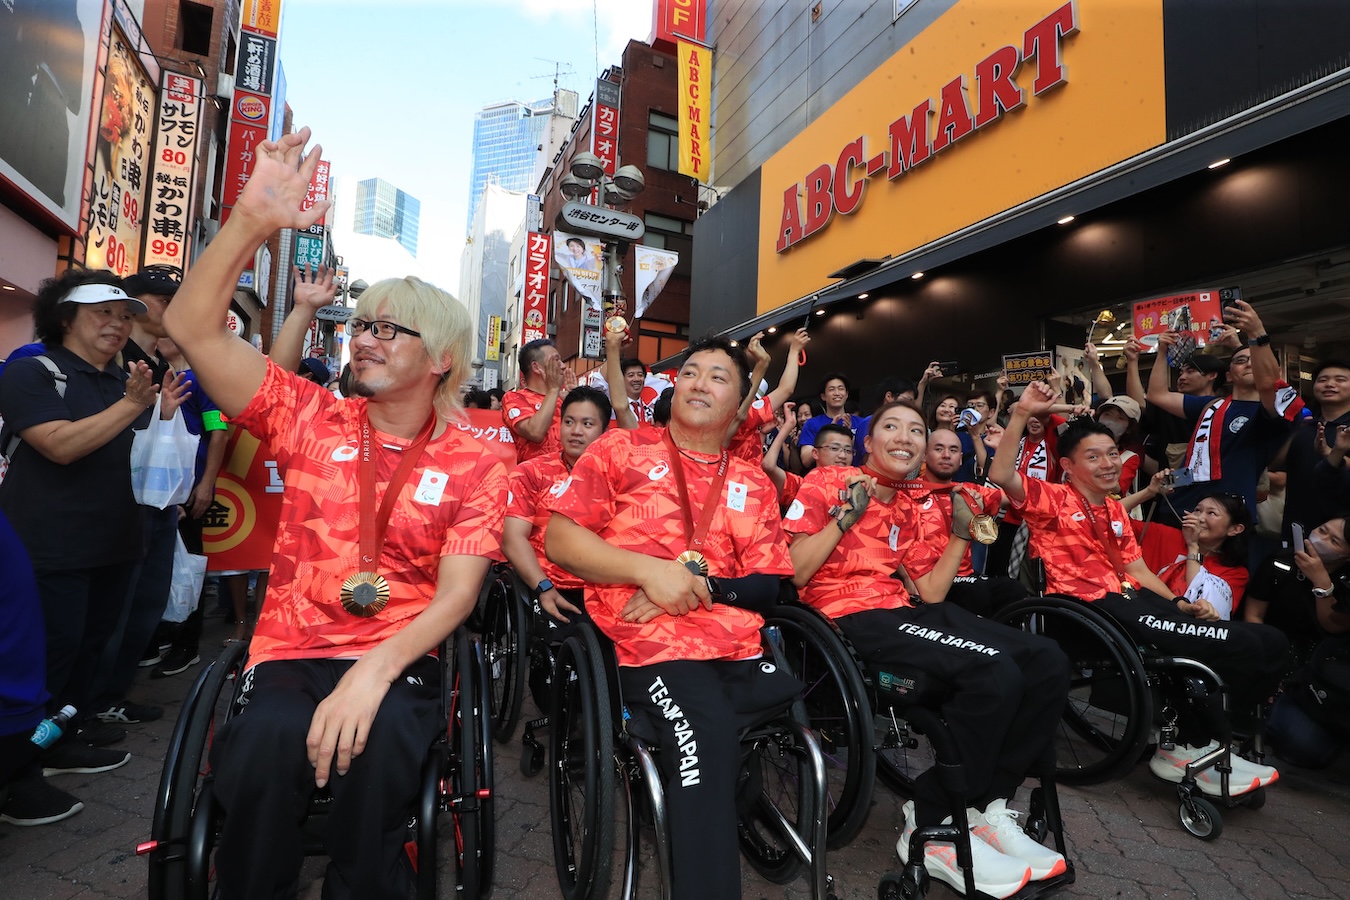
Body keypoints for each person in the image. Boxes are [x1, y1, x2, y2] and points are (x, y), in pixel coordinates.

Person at [162, 128, 508, 900]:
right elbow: (190, 330)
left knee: (385, 747)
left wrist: (372, 674)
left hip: (402, 651)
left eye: (391, 329)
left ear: (443, 357)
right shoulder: (309, 415)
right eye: (364, 326)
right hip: (290, 647)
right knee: (259, 748)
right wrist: (250, 223)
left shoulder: (481, 459)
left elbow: (458, 595)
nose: (367, 339)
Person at [545, 336, 802, 900]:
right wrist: (648, 572)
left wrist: (692, 587)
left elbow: (763, 587)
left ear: (740, 405)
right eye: (690, 372)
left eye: (717, 376)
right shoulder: (620, 450)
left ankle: (710, 800)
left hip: (734, 645)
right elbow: (560, 538)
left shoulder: (753, 481)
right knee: (705, 736)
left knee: (747, 725)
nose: (699, 382)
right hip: (646, 640)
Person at [785, 401, 1070, 898]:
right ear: (867, 442)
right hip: (845, 615)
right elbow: (794, 573)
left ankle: (987, 806)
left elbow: (931, 593)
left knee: (1047, 661)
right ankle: (932, 817)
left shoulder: (908, 501)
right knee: (993, 673)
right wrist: (842, 520)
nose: (905, 436)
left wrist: (960, 535)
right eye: (891, 426)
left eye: (915, 429)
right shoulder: (826, 482)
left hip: (904, 608)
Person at [992, 381, 1287, 797]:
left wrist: (1180, 602)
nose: (1107, 463)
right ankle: (1195, 745)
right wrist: (1021, 414)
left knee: (1270, 640)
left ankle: (1200, 741)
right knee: (1236, 644)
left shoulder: (1114, 508)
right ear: (1070, 467)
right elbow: (1001, 474)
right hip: (1086, 609)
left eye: (1111, 453)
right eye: (1092, 457)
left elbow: (1138, 570)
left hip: (1132, 600)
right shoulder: (1051, 498)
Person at [0, 271, 182, 771]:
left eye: (125, 316)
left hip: (118, 541)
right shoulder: (33, 370)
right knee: (49, 653)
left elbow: (139, 459)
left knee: (89, 650)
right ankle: (20, 766)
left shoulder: (124, 381)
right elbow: (58, 445)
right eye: (103, 312)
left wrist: (160, 417)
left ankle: (60, 737)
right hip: (50, 546)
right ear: (64, 317)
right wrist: (132, 406)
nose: (117, 324)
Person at [90, 268, 188, 730]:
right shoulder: (113, 360)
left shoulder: (161, 365)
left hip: (158, 501)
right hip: (118, 503)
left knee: (145, 605)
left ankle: (112, 695)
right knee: (114, 608)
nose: (173, 308)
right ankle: (84, 706)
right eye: (164, 299)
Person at [148, 334, 230, 678]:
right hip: (152, 487)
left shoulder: (200, 379)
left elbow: (219, 430)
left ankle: (187, 644)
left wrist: (206, 482)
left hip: (186, 488)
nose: (160, 336)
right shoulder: (154, 375)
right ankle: (160, 635)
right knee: (156, 567)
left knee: (186, 567)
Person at [502, 386, 611, 631]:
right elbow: (512, 538)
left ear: (605, 432)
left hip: (604, 585)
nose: (576, 431)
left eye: (587, 424)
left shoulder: (620, 476)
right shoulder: (530, 472)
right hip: (546, 582)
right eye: (569, 422)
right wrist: (543, 586)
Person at [911, 428, 1022, 616]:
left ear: (961, 459)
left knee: (1013, 590)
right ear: (923, 455)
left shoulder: (968, 492)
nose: (947, 455)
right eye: (939, 449)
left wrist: (1002, 453)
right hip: (925, 582)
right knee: (978, 594)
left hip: (964, 579)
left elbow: (1018, 495)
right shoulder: (906, 495)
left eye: (953, 450)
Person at [1244, 516, 1350, 661]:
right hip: (1272, 646)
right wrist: (1267, 651)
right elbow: (1254, 615)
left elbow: (1333, 626)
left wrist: (1320, 580)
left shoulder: (1345, 580)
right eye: (1322, 530)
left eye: (1334, 541)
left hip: (1323, 658)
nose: (1321, 539)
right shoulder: (1279, 562)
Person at [1270, 360, 1350, 542]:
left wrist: (1332, 454)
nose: (1330, 384)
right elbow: (1274, 465)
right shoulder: (1306, 427)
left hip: (1340, 536)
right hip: (1297, 529)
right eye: (1323, 380)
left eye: (1340, 379)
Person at [503, 338, 575, 463]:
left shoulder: (563, 399)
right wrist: (553, 390)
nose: (563, 366)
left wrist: (576, 398)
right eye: (556, 360)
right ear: (536, 367)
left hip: (569, 477)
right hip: (535, 478)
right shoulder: (515, 398)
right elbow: (534, 432)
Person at [799, 372, 866, 467]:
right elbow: (805, 460)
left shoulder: (861, 423)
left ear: (846, 394)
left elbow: (868, 457)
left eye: (841, 389)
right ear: (823, 396)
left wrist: (852, 437)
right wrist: (830, 433)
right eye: (831, 389)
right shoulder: (812, 424)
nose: (837, 393)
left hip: (855, 477)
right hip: (825, 478)